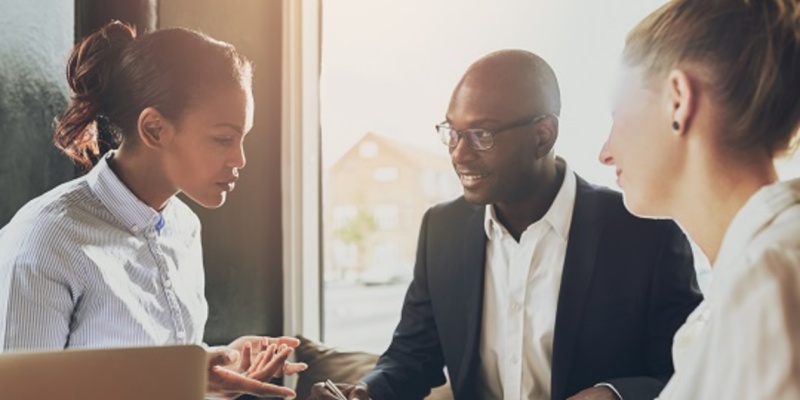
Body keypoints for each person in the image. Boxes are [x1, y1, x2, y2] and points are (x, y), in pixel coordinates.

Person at [309, 50, 702, 400]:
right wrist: (365, 392)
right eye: (452, 133)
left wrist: (615, 394)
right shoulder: (441, 230)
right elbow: (413, 355)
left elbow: (691, 371)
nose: (460, 154)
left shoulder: (646, 232)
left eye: (482, 134)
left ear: (543, 136)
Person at [0, 21, 304, 399]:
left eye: (242, 138)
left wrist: (212, 368)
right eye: (223, 139)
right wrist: (176, 378)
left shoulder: (183, 226)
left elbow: (140, 371)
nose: (240, 159)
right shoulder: (44, 240)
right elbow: (19, 393)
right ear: (155, 129)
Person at [598, 0, 800, 398]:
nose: (604, 151)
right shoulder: (750, 277)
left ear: (678, 99)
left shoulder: (770, 279)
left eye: (616, 112)